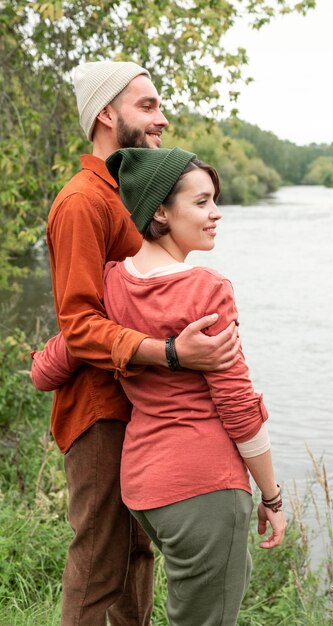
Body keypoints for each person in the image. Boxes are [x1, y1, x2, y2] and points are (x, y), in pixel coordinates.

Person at [32, 146, 287, 626]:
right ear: (161, 213)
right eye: (202, 202)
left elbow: (49, 368)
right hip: (205, 489)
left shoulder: (110, 284)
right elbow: (236, 405)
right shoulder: (207, 290)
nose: (216, 214)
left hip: (144, 490)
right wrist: (271, 496)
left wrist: (41, 362)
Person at [45, 60, 240, 626]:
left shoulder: (129, 194)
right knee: (100, 563)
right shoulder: (83, 201)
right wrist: (173, 353)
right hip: (99, 409)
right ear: (106, 114)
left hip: (140, 407)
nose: (162, 118)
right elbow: (78, 324)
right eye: (147, 106)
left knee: (136, 557)